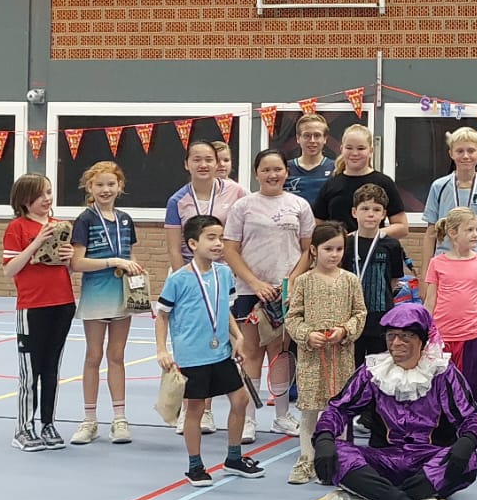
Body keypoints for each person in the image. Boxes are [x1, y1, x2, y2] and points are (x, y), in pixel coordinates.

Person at [312, 302, 477, 500]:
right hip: (383, 461)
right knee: (336, 451)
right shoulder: (373, 371)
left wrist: (467, 441)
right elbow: (339, 408)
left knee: (468, 458)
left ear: (422, 340)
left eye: (405, 336)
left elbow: (469, 419)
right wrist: (324, 436)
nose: (395, 343)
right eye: (391, 335)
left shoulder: (443, 373)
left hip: (428, 463)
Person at [152, 214, 263, 486]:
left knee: (240, 400)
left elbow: (224, 311)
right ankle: (195, 466)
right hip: (192, 355)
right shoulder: (178, 279)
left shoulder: (224, 274)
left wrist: (238, 337)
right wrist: (162, 350)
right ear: (193, 244)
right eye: (211, 238)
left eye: (221, 238)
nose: (218, 244)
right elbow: (162, 316)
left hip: (221, 352)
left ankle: (234, 458)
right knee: (196, 409)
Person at [223, 147, 315, 441]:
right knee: (251, 353)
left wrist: (291, 282)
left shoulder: (299, 205)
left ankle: (282, 416)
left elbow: (308, 250)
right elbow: (230, 250)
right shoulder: (243, 207)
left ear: (286, 172)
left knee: (281, 355)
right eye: (266, 170)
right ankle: (248, 418)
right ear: (256, 174)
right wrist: (255, 283)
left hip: (286, 293)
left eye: (278, 169)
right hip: (251, 292)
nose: (272, 174)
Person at [281, 222, 366, 484]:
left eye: (339, 249)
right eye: (328, 249)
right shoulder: (303, 282)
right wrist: (307, 334)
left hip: (341, 357)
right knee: (310, 411)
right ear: (314, 250)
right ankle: (307, 459)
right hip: (311, 359)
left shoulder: (351, 281)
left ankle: (335, 461)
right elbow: (292, 317)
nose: (334, 254)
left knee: (338, 410)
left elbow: (360, 313)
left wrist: (345, 330)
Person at [67, 160, 143, 446]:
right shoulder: (85, 219)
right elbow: (77, 263)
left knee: (117, 356)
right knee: (93, 356)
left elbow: (129, 255)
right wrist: (112, 261)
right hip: (96, 295)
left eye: (111, 184)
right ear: (90, 187)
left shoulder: (125, 219)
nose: (105, 189)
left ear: (120, 186)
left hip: (122, 295)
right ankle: (89, 421)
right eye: (99, 185)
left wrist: (134, 269)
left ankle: (120, 419)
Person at [1, 172, 76, 451]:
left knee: (51, 368)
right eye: (40, 194)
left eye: (49, 192)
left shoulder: (60, 226)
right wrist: (35, 243)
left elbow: (69, 268)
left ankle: (47, 423)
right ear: (25, 199)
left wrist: (69, 259)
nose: (47, 199)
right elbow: (9, 269)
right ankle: (23, 428)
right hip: (33, 306)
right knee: (30, 372)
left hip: (62, 303)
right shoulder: (17, 228)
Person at [423, 205, 477, 402]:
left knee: (468, 391)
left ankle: (467, 420)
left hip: (470, 337)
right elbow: (430, 301)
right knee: (440, 390)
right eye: (469, 230)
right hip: (441, 337)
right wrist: (424, 333)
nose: (476, 235)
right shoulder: (437, 263)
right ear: (453, 233)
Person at [343, 183, 407, 362]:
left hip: (381, 318)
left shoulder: (391, 245)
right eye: (364, 209)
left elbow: (394, 280)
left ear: (384, 214)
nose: (370, 214)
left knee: (379, 366)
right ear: (354, 212)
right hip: (350, 318)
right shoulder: (346, 244)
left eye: (376, 209)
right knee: (352, 366)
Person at [312, 125, 410, 239]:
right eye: (349, 148)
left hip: (373, 247)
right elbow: (317, 227)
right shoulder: (330, 185)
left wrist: (363, 236)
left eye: (361, 148)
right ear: (341, 149)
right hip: (339, 249)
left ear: (371, 151)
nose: (354, 153)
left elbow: (402, 227)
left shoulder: (384, 183)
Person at [162, 138, 247, 268]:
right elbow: (174, 250)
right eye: (197, 160)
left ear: (216, 164)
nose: (203, 165)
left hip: (227, 269)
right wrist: (183, 277)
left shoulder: (236, 192)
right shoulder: (176, 201)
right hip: (191, 268)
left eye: (208, 160)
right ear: (186, 164)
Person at [424, 127, 477, 255]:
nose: (465, 156)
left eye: (471, 151)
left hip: (476, 260)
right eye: (460, 151)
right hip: (444, 260)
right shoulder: (438, 186)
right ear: (451, 153)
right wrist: (426, 267)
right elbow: (431, 233)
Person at [284, 111, 336, 201]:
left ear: (325, 138)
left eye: (317, 135)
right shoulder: (285, 168)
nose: (312, 140)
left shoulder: (336, 168)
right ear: (298, 138)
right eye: (307, 135)